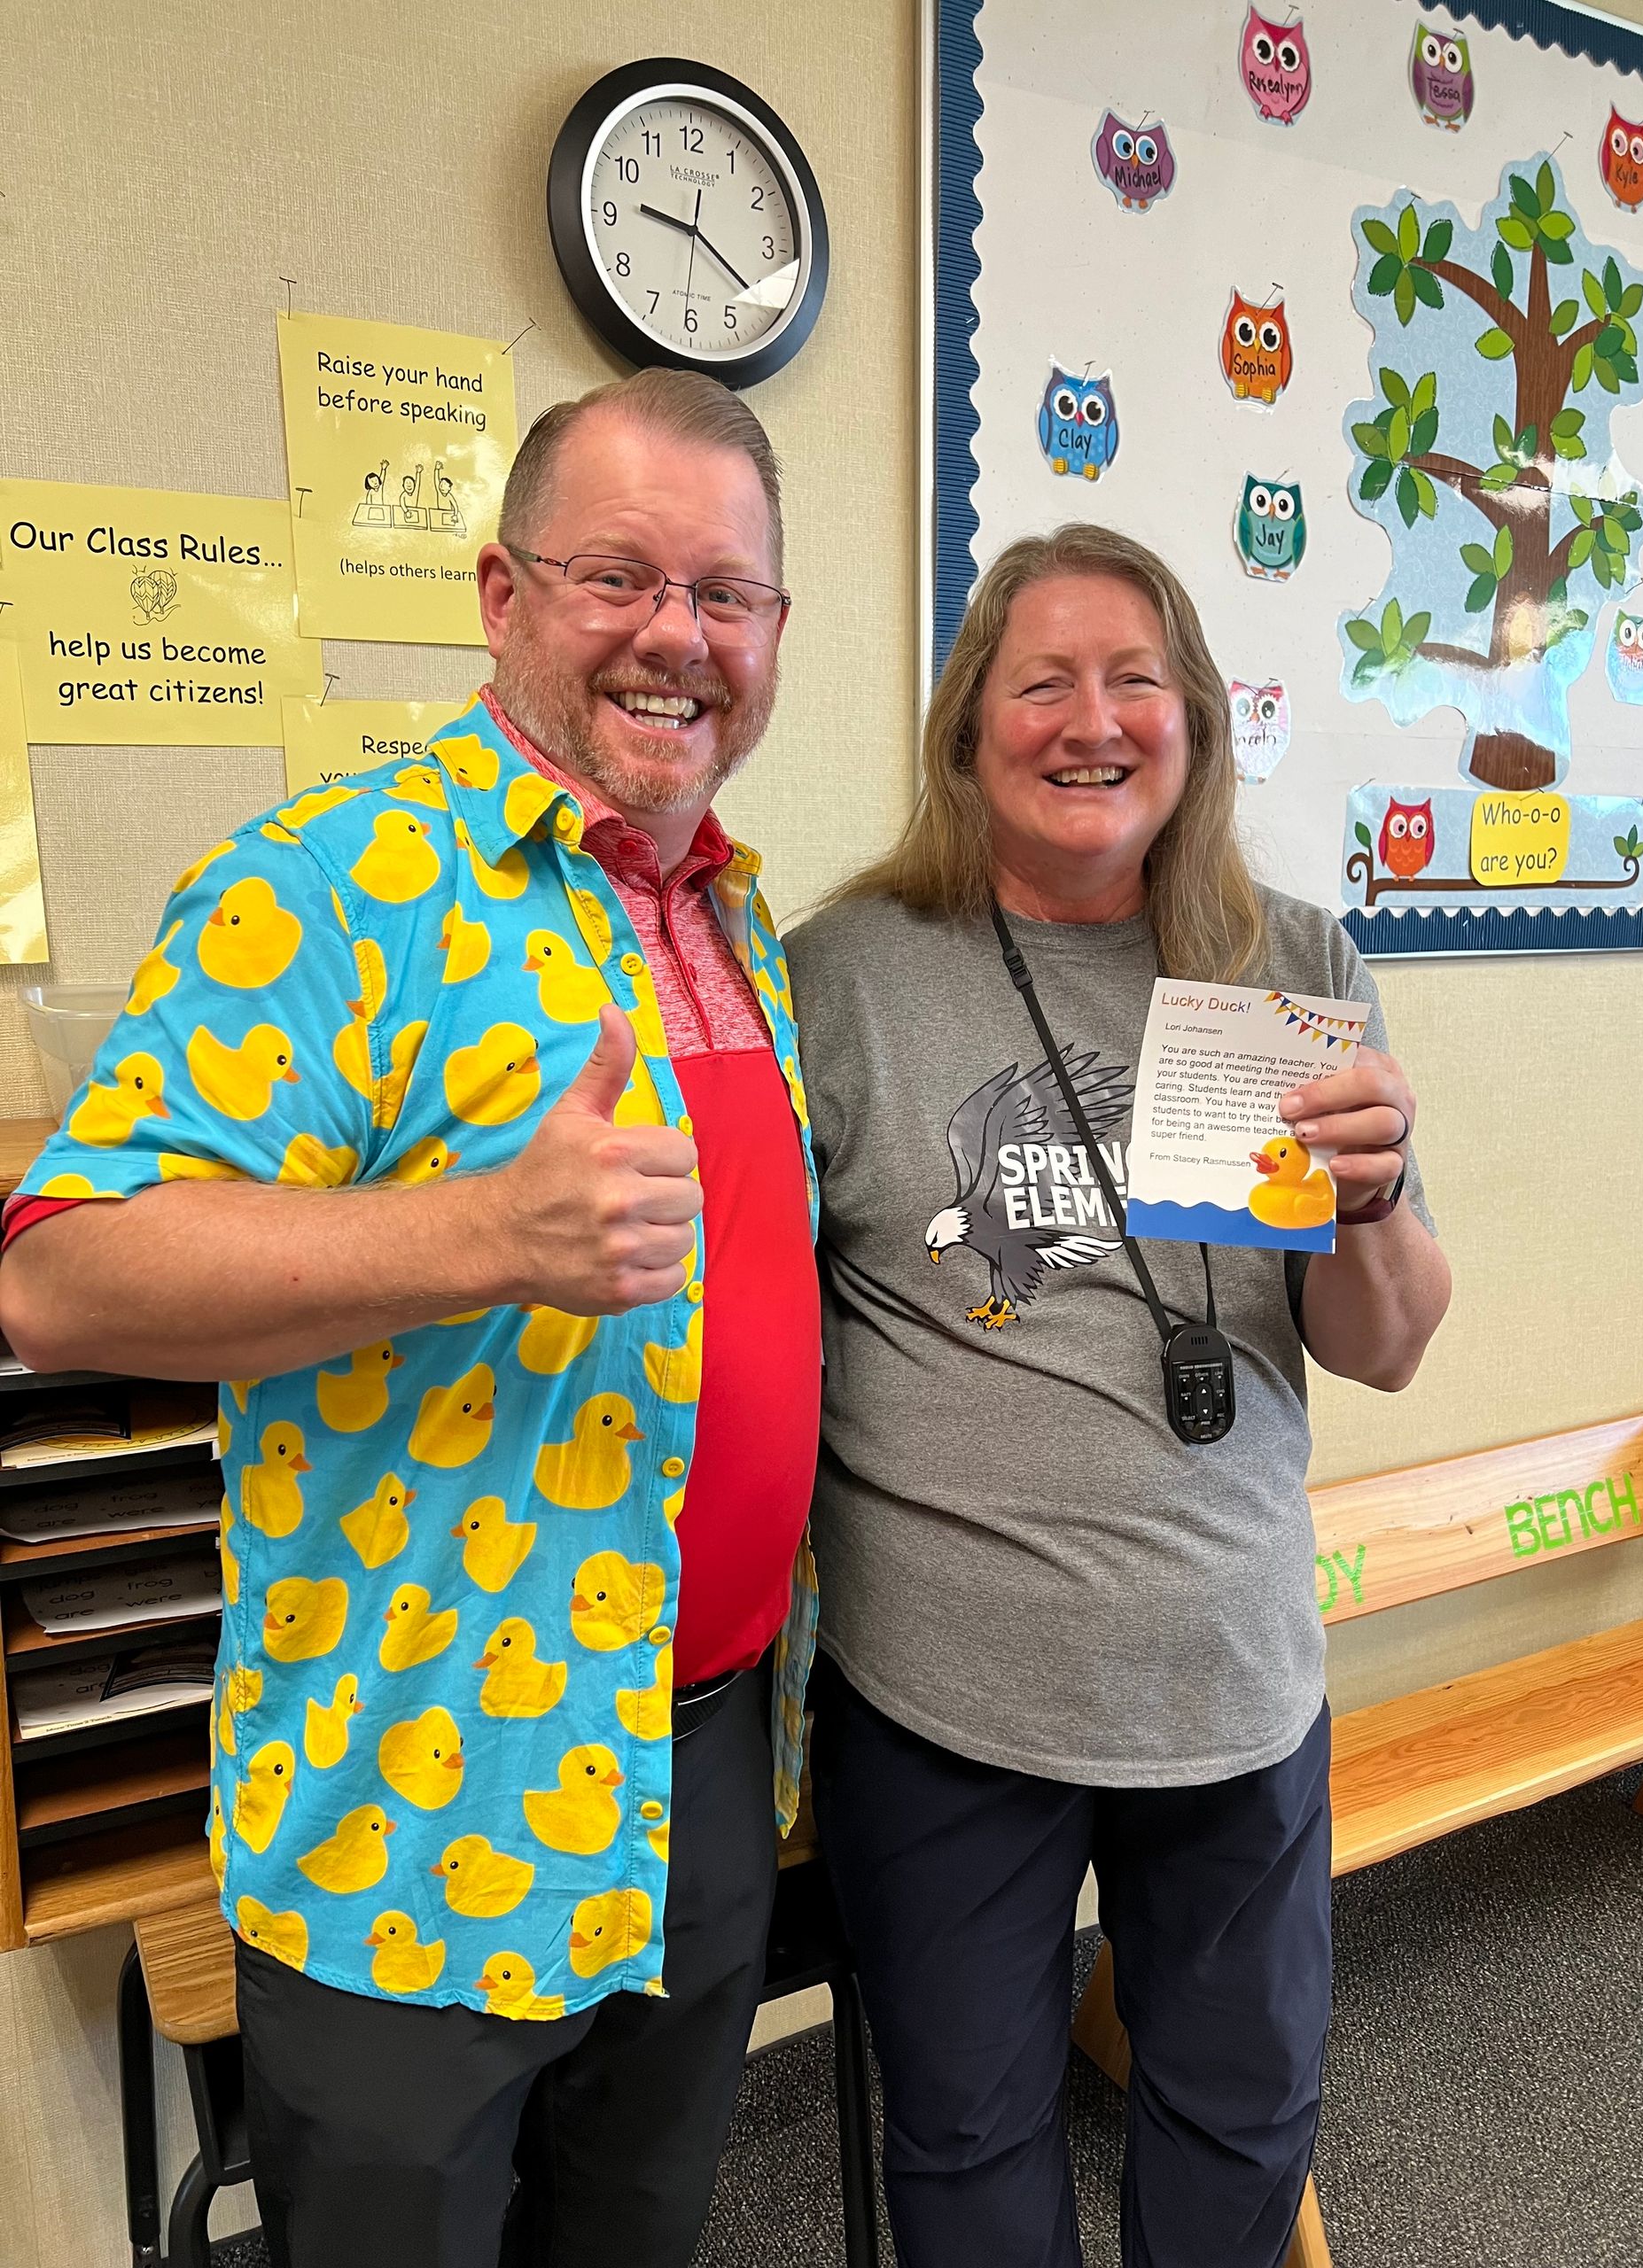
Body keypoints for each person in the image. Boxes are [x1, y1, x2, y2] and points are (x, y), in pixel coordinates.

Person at [0, 369, 822, 2268]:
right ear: (500, 591)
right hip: (418, 1816)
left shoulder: (734, 914)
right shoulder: (329, 887)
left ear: (776, 634)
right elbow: (56, 1272)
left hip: (697, 1773)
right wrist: (474, 1232)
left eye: (726, 592)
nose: (676, 634)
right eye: (618, 572)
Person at [785, 523, 1452, 2268]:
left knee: (1242, 2119)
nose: (1094, 720)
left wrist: (1375, 1193)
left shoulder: (1287, 958)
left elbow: (1387, 1340)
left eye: (1136, 678)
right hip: (944, 1701)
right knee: (965, 2136)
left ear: (1199, 722)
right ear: (965, 730)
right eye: (1044, 680)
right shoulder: (840, 975)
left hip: (1231, 1682)